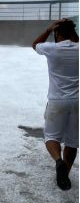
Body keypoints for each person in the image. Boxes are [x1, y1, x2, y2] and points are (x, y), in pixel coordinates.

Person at [32, 18, 79, 190]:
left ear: (57, 34)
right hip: (77, 102)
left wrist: (49, 30)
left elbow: (35, 44)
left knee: (51, 137)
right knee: (72, 142)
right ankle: (64, 175)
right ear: (73, 33)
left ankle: (58, 162)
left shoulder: (52, 49)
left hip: (57, 101)